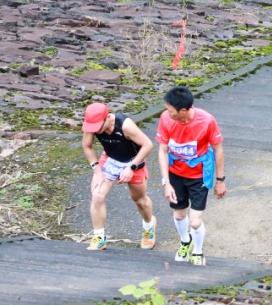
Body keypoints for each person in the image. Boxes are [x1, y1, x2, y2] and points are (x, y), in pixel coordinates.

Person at [156, 85, 226, 267]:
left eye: (171, 111)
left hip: (199, 175)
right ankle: (185, 242)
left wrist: (220, 180)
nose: (167, 113)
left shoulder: (207, 121)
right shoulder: (166, 119)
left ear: (184, 111)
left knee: (195, 222)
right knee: (179, 215)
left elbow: (218, 150)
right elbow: (162, 150)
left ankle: (198, 250)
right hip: (176, 173)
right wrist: (166, 182)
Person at [81, 101, 157, 252]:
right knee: (97, 195)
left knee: (140, 201)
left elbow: (148, 145)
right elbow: (86, 146)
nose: (96, 131)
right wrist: (97, 171)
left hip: (133, 161)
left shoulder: (125, 126)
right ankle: (99, 237)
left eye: (98, 127)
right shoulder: (92, 124)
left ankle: (149, 226)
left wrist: (131, 168)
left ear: (108, 117)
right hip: (110, 159)